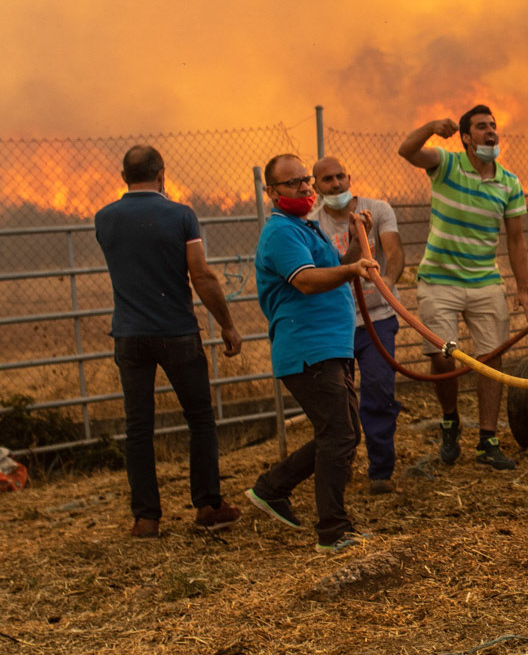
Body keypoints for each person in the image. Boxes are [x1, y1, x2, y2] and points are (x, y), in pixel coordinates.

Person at [94, 145, 244, 539]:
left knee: (138, 426)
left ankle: (146, 519)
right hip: (177, 332)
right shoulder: (181, 215)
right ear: (162, 173)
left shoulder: (104, 218)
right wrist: (227, 325)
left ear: (124, 176)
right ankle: (209, 506)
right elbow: (201, 275)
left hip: (129, 334)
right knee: (199, 419)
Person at [247, 153, 377, 552]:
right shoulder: (282, 233)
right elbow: (305, 280)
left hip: (330, 346)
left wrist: (356, 244)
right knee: (339, 434)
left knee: (340, 433)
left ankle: (272, 488)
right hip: (308, 348)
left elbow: (339, 267)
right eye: (293, 183)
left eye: (305, 180)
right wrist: (351, 270)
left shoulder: (306, 228)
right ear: (271, 192)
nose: (305, 187)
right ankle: (333, 531)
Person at [397, 105, 528, 471]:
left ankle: (487, 439)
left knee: (491, 360)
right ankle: (449, 418)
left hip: (485, 281)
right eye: (481, 127)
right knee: (442, 356)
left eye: (493, 126)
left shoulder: (509, 183)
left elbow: (517, 240)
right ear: (466, 136)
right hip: (439, 280)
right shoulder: (446, 164)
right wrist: (429, 125)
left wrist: (524, 290)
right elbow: (406, 151)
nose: (491, 132)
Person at [313, 156, 405, 495]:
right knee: (337, 399)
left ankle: (381, 471)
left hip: (377, 317)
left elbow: (393, 251)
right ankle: (341, 465)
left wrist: (388, 285)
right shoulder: (312, 222)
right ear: (317, 186)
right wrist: (355, 239)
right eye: (327, 180)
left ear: (349, 177)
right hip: (334, 322)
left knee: (379, 389)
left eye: (340, 177)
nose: (336, 184)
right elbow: (332, 270)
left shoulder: (377, 209)